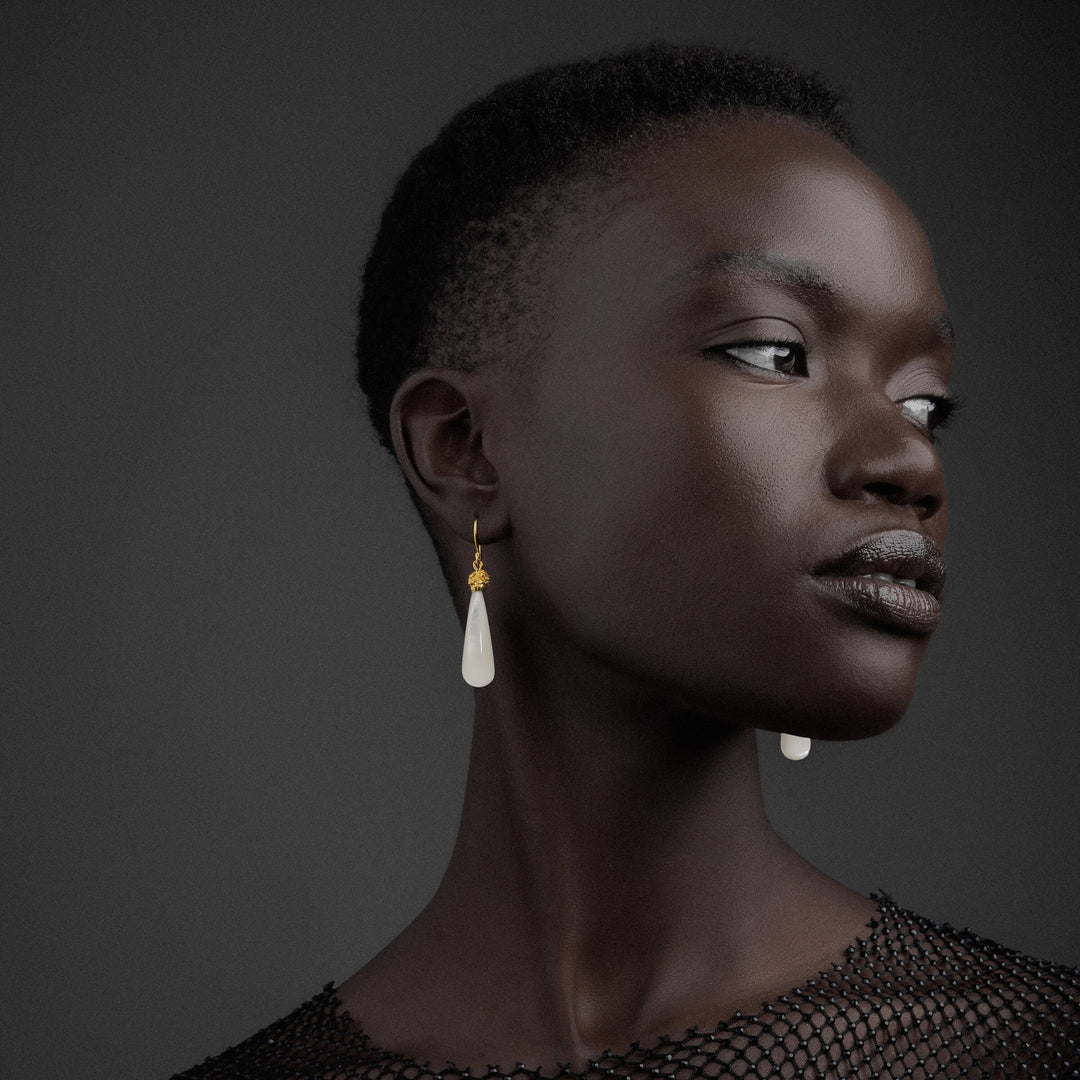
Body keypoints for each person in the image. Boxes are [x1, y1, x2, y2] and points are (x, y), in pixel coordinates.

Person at [174, 43, 1080, 1079]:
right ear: (464, 448)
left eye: (925, 403)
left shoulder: (1028, 1048)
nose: (911, 459)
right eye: (776, 353)